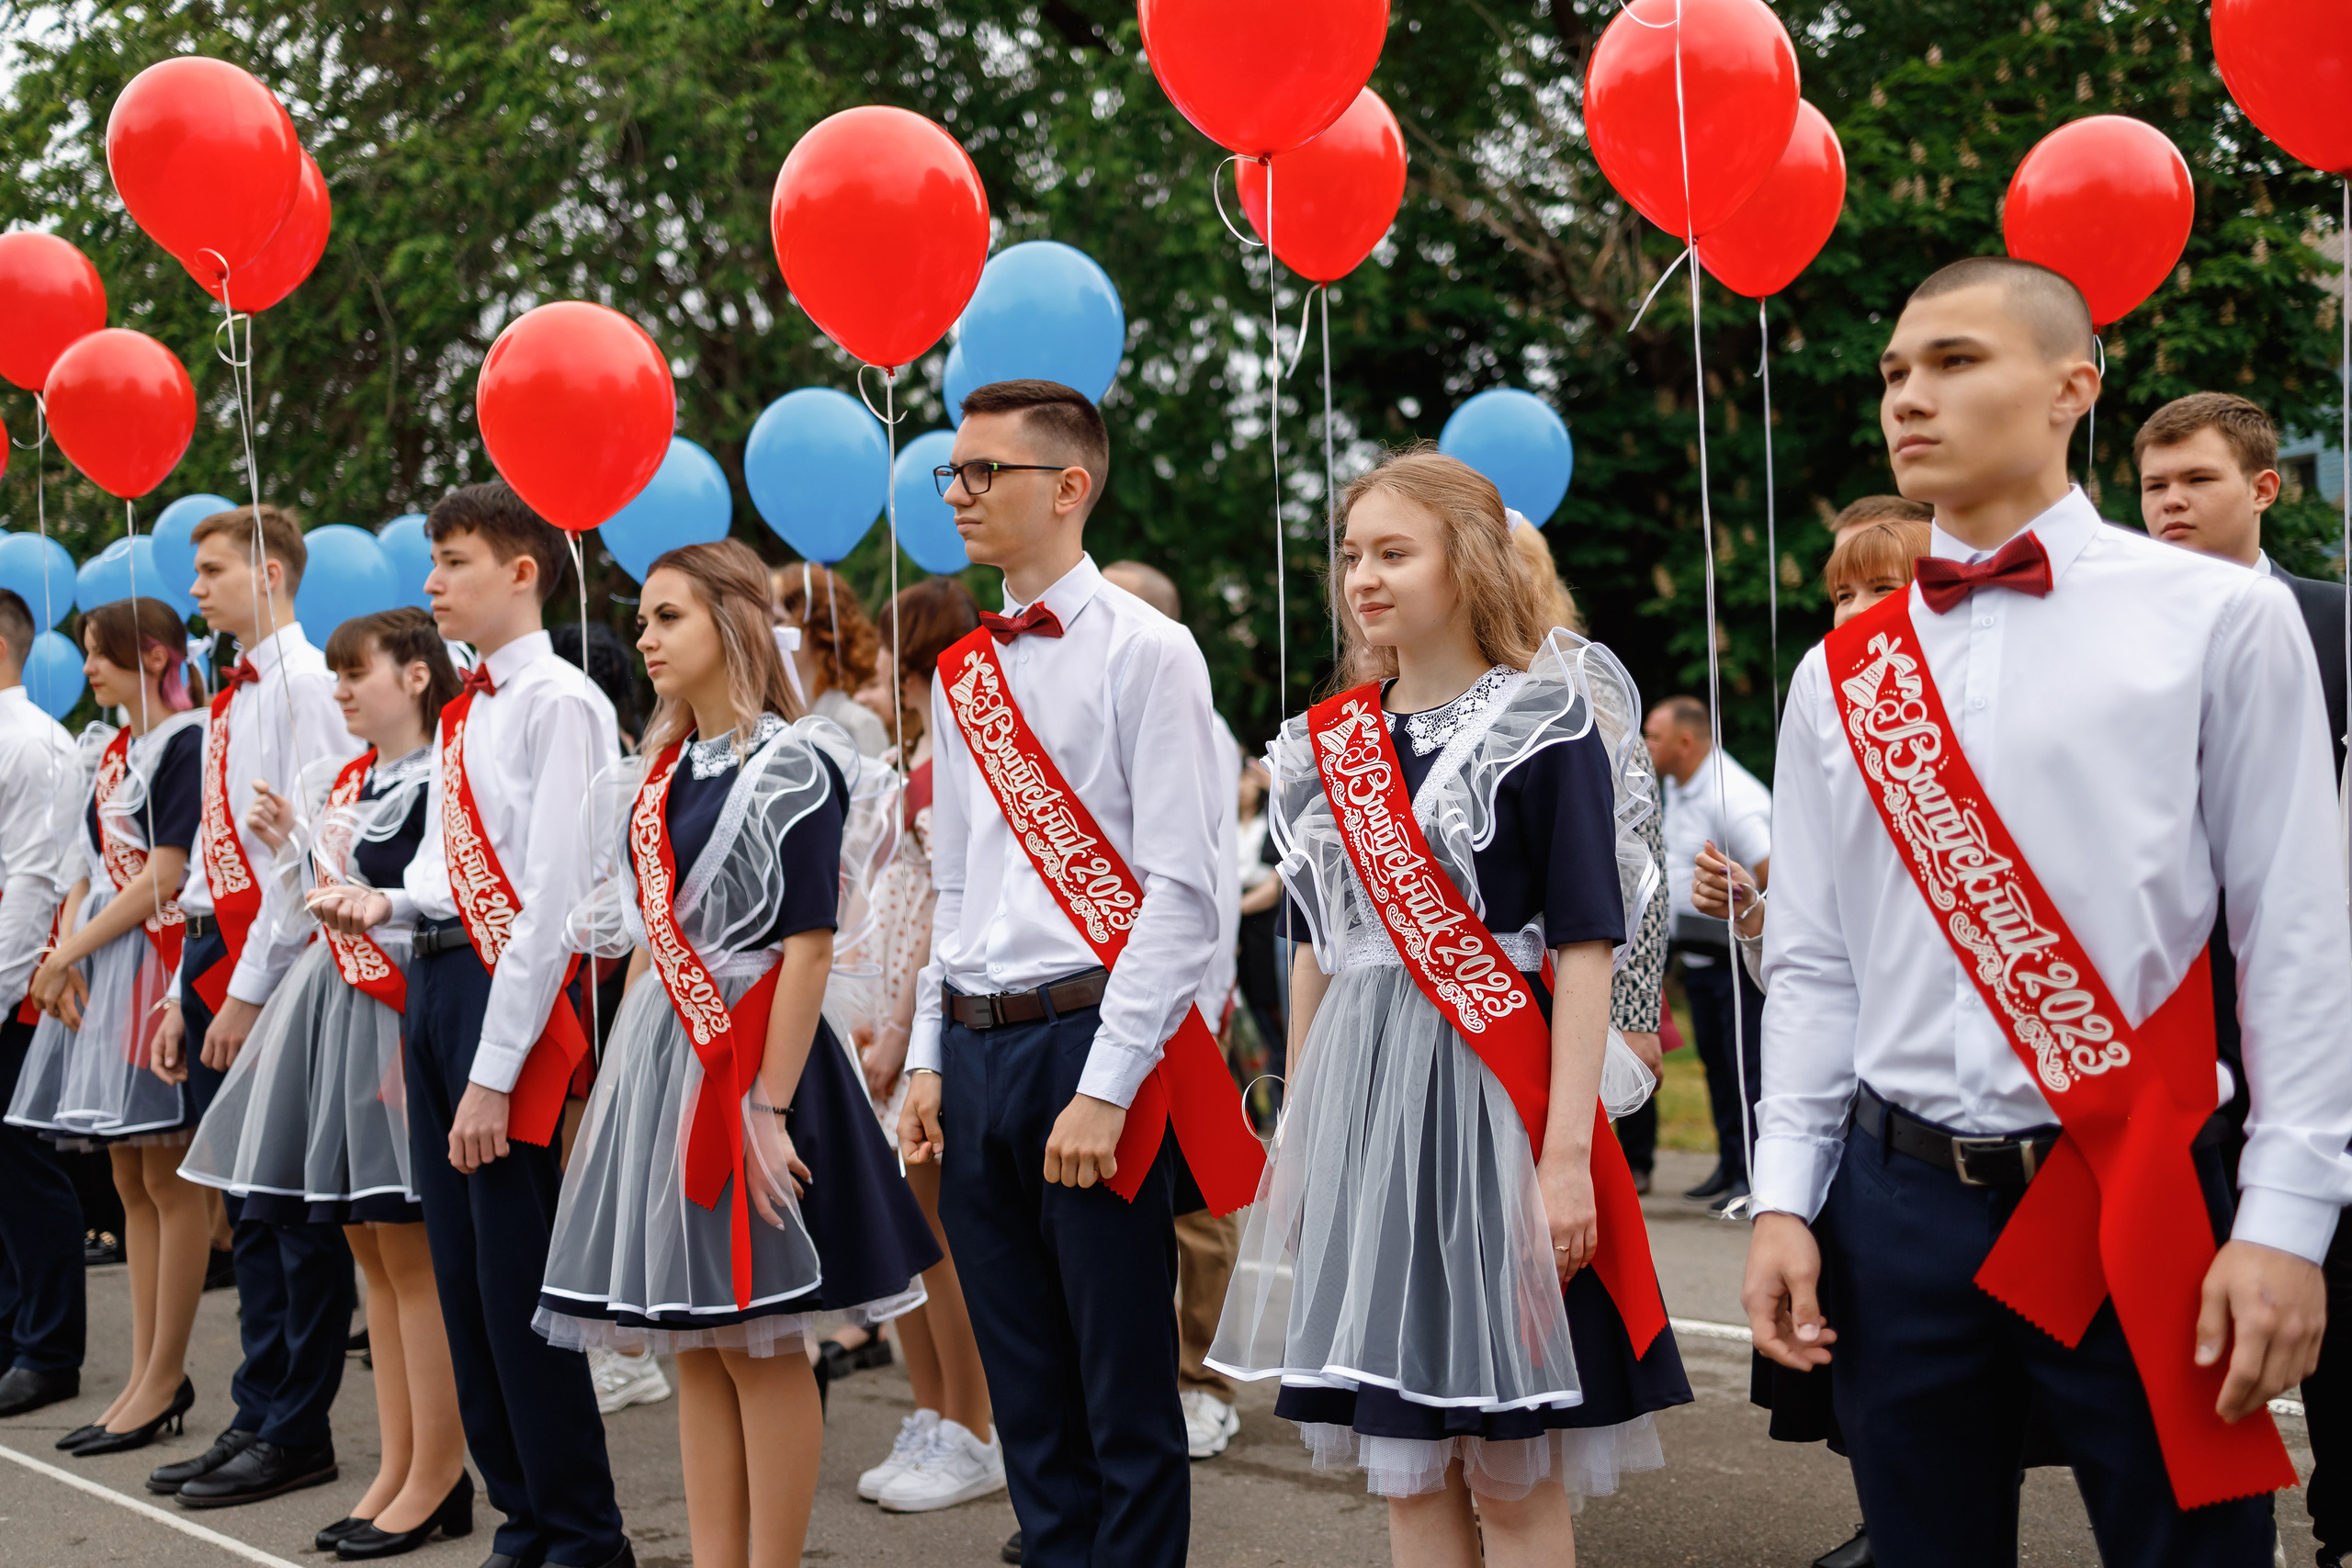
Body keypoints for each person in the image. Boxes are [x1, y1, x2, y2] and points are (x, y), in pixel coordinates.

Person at [1742, 255, 2352, 1566]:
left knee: (2190, 1549)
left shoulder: (2221, 616)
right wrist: (1786, 1196)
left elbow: (2295, 928)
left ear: (2075, 385)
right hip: (1894, 1205)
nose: (1910, 396)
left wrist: (2289, 1220)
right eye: (1897, 370)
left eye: (1956, 360)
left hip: (2138, 1179)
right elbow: (1813, 963)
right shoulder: (1837, 673)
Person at [1209, 448, 1690, 1565]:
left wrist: (1565, 1154)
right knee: (1408, 1470)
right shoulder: (1321, 747)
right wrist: (1302, 1130)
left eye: (1392, 552)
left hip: (1496, 1104)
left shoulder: (1545, 723)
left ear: (1466, 565)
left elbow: (1583, 947)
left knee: (1509, 1471)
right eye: (1349, 555)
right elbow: (1321, 949)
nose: (1361, 578)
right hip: (1367, 1106)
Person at [898, 378, 1261, 1568]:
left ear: (1069, 486)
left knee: (1122, 1388)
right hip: (979, 1041)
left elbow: (1182, 891)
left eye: (981, 472)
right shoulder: (962, 673)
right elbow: (955, 884)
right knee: (1026, 1386)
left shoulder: (1153, 653)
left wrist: (1106, 1085)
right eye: (952, 472)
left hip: (1092, 1036)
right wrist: (923, 1056)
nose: (957, 493)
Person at [528, 539, 939, 1567]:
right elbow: (639, 942)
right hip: (663, 1055)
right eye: (644, 619)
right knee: (697, 1346)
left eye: (670, 617)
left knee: (764, 1344)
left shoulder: (792, 761)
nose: (646, 637)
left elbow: (807, 948)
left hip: (760, 1058)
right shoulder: (652, 774)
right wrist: (604, 1103)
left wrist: (765, 1105)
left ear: (733, 622)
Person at [311, 480, 633, 1568]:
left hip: (513, 1003)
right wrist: (388, 903)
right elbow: (454, 876)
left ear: (522, 571)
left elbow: (551, 900)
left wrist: (498, 1072)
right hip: (443, 985)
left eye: (452, 561)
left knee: (517, 1288)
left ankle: (582, 1532)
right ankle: (522, 1520)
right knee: (463, 1283)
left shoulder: (562, 703)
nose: (432, 582)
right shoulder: (461, 711)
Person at [180, 607, 474, 1558]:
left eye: (359, 672)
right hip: (333, 1013)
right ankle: (398, 1464)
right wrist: (288, 851)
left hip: (393, 1018)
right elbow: (298, 902)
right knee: (371, 1255)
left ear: (419, 677)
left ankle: (437, 1474)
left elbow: (442, 902)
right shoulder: (350, 779)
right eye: (338, 673)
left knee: (411, 1251)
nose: (341, 689)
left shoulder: (446, 776)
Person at [2134, 390, 2352, 1564]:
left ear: (2263, 489)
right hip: (2166, 1029)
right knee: (2181, 1313)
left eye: (2194, 483)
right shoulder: (2111, 636)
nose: (2167, 504)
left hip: (2316, 1012)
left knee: (2335, 1292)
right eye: (2153, 486)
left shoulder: (2336, 628)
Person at [1692, 514, 1930, 1568]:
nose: (1854, 617)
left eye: (1880, 590)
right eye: (1839, 596)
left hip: (2013, 1115)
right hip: (1865, 1113)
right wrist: (1753, 915)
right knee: (1875, 1353)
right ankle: (1896, 1517)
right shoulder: (1824, 723)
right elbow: (1809, 970)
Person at [148, 505, 366, 1506]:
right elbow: (213, 848)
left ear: (269, 571)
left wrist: (242, 990)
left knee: (286, 1211)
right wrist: (182, 989)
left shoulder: (309, 686)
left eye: (210, 569)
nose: (195, 588)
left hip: (274, 964)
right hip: (215, 951)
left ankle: (294, 1426)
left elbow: (319, 842)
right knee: (246, 1205)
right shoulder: (231, 695)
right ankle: (255, 1408)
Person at [8, 597, 206, 1456]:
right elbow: (88, 866)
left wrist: (69, 950)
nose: (87, 666)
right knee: (129, 1180)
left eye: (102, 651)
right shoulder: (112, 745)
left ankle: (164, 1375)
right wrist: (70, 948)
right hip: (108, 963)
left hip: (160, 964)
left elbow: (165, 874)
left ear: (154, 655)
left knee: (169, 1178)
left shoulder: (187, 741)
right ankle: (139, 1375)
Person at [839, 576, 1008, 1516]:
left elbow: (943, 906)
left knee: (940, 1245)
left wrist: (904, 1027)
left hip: (920, 1028)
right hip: (892, 1018)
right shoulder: (921, 754)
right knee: (913, 1245)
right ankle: (934, 1414)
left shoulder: (949, 765)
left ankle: (970, 1429)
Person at [0, 588, 86, 1422]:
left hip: (23, 981)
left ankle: (48, 1347)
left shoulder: (32, 741)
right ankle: (9, 1328)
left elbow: (30, 882)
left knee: (24, 1164)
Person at [1642, 693, 1770, 1212]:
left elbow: (1769, 866)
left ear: (1685, 742)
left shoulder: (1729, 795)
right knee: (1718, 1067)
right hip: (1697, 956)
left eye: (1654, 736)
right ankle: (1730, 1165)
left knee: (1746, 1070)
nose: (1647, 744)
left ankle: (1756, 1177)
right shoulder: (1680, 784)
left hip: (1735, 963)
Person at [774, 562, 891, 760]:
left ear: (816, 627)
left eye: (777, 621)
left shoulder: (858, 725)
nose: (767, 632)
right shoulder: (770, 723)